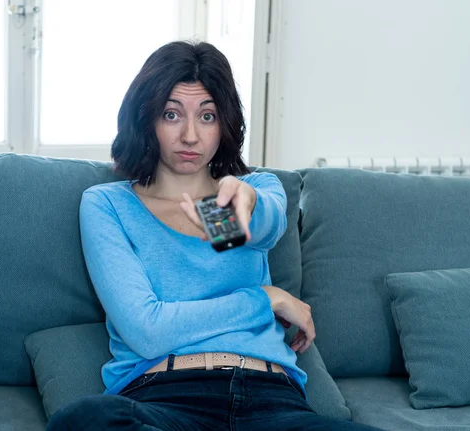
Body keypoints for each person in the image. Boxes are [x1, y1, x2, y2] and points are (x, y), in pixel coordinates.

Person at [47, 41, 382, 431]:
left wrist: (248, 199)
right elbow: (148, 331)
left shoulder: (246, 195)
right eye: (172, 114)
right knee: (84, 420)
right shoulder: (109, 205)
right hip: (166, 398)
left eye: (206, 116)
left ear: (224, 124)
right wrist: (265, 299)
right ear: (146, 119)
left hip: (271, 400)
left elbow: (262, 228)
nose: (190, 135)